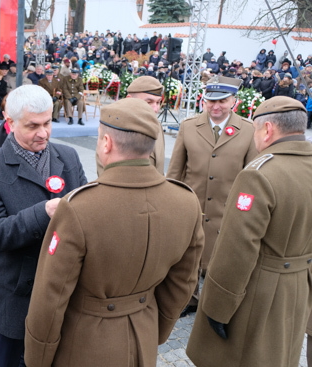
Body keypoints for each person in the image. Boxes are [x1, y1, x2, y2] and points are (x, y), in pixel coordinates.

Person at [24, 98, 204, 367]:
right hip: (144, 333)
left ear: (106, 143)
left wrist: (37, 359)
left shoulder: (79, 207)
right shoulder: (186, 200)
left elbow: (50, 296)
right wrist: (156, 328)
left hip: (85, 344)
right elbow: (184, 281)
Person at [186, 96, 312, 367]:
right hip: (300, 286)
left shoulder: (258, 174)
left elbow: (237, 250)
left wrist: (217, 308)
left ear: (267, 130)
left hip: (260, 292)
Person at [0, 85, 87, 367]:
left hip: (65, 290)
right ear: (10, 123)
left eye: (47, 123)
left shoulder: (68, 157)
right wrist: (44, 211)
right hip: (19, 294)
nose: (43, 133)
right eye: (32, 126)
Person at [167, 75, 257, 317]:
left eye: (222, 101)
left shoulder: (248, 130)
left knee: (223, 258)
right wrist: (171, 203)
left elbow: (252, 177)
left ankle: (218, 303)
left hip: (228, 209)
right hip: (193, 205)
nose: (216, 107)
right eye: (210, 101)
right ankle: (191, 298)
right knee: (189, 257)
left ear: (234, 102)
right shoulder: (188, 126)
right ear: (203, 101)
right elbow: (175, 171)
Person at [97, 76, 166, 176]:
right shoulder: (114, 127)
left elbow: (160, 169)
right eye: (149, 102)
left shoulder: (157, 126)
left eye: (158, 102)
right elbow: (106, 175)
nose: (155, 109)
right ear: (129, 99)